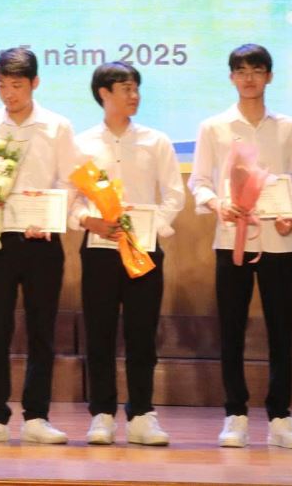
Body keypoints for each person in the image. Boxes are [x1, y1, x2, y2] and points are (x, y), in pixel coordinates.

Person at [188, 43, 292, 450]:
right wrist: (217, 204)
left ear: (269, 77)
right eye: (241, 71)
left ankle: (281, 417)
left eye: (257, 70)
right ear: (231, 77)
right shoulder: (214, 127)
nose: (249, 78)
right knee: (231, 329)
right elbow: (199, 181)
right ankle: (235, 415)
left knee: (281, 330)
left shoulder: (289, 128)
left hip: (279, 240)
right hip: (232, 240)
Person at [0, 46, 80, 445]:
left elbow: (69, 181)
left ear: (35, 83)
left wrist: (49, 216)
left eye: (16, 85)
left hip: (41, 242)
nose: (8, 94)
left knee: (41, 330)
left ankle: (37, 417)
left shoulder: (57, 127)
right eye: (1, 85)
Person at [70, 61, 184, 447]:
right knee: (99, 333)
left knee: (142, 333)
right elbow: (69, 199)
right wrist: (88, 221)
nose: (134, 95)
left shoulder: (156, 141)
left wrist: (152, 228)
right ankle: (102, 414)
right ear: (104, 93)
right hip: (100, 250)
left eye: (136, 88)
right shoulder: (82, 145)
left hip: (144, 250)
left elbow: (174, 194)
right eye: (125, 89)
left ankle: (141, 415)